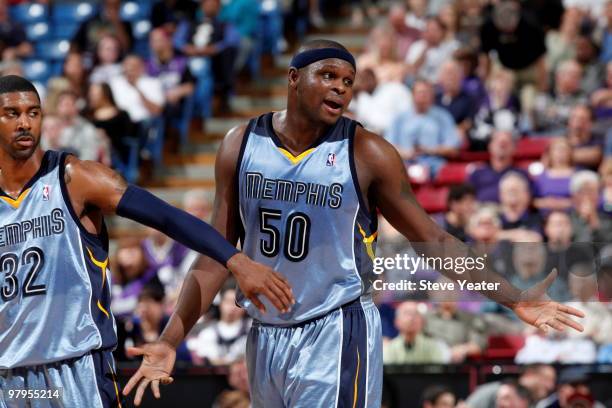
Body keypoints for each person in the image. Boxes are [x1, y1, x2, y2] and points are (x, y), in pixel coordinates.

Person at [124, 40, 585, 408]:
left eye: (348, 81)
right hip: (264, 333)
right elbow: (215, 254)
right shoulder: (239, 143)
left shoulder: (367, 152)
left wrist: (511, 297)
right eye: (327, 76)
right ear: (292, 79)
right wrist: (170, 339)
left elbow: (433, 239)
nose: (341, 88)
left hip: (337, 327)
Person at [0, 75, 292, 407]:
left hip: (76, 366)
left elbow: (167, 217)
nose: (24, 123)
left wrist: (236, 261)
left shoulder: (75, 179)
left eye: (33, 112)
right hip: (10, 374)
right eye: (11, 113)